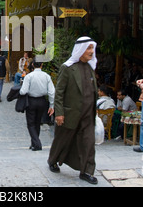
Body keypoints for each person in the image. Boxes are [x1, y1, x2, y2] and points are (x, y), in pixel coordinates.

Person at [47, 36, 99, 185]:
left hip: (88, 115)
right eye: (88, 48)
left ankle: (86, 172)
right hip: (70, 113)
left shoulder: (90, 67)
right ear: (80, 50)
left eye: (92, 48)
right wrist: (59, 113)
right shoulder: (68, 68)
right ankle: (53, 160)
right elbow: (59, 92)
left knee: (89, 143)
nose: (91, 51)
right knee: (62, 140)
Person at [19, 61, 55, 151]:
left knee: (31, 123)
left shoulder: (29, 76)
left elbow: (23, 91)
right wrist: (51, 105)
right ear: (42, 65)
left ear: (32, 65)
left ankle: (37, 143)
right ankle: (34, 143)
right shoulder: (46, 76)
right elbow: (51, 91)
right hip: (42, 101)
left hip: (31, 101)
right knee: (37, 122)